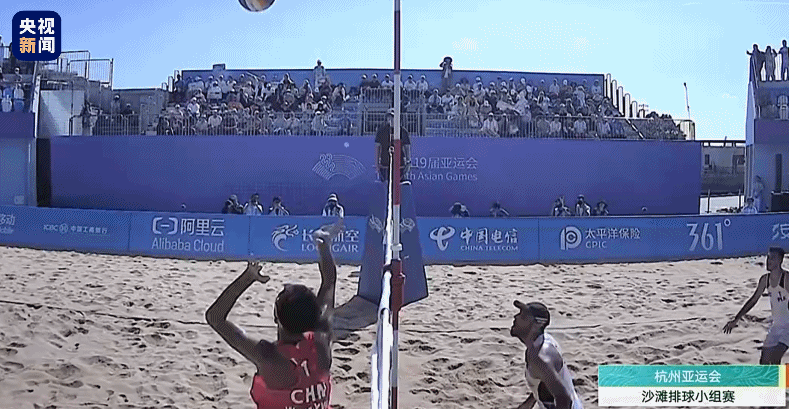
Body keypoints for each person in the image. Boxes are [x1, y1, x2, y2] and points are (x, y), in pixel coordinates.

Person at [206, 218, 344, 409]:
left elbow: (214, 317)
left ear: (275, 317)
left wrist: (247, 277)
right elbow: (329, 282)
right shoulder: (322, 341)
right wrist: (323, 244)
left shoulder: (268, 356)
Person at [511, 301, 584, 409]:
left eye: (523, 315)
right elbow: (546, 382)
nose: (516, 317)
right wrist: (528, 404)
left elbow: (564, 399)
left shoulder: (540, 357)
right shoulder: (542, 342)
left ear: (537, 324)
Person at [725, 247, 789, 367]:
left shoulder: (786, 278)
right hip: (776, 326)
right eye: (768, 257)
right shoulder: (765, 280)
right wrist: (736, 319)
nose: (768, 261)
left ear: (780, 261)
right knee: (764, 360)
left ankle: (778, 378)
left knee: (776, 356)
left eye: (772, 258)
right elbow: (753, 300)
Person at [375, 108, 411, 182]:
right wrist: (377, 163)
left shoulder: (403, 131)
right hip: (385, 163)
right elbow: (377, 148)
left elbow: (407, 148)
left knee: (398, 184)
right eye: (389, 117)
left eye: (393, 117)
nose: (391, 119)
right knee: (386, 183)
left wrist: (408, 162)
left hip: (400, 163)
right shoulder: (381, 131)